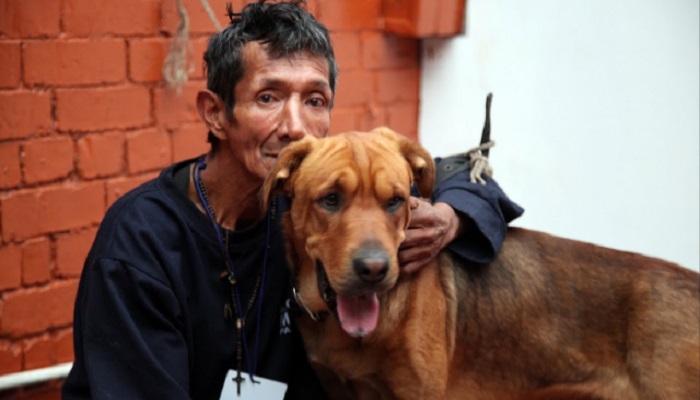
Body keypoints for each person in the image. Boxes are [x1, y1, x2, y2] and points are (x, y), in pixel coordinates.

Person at [61, 1, 523, 399]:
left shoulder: (313, 200)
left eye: (316, 101)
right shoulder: (141, 247)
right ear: (215, 114)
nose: (296, 126)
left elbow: (461, 174)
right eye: (268, 97)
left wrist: (451, 218)